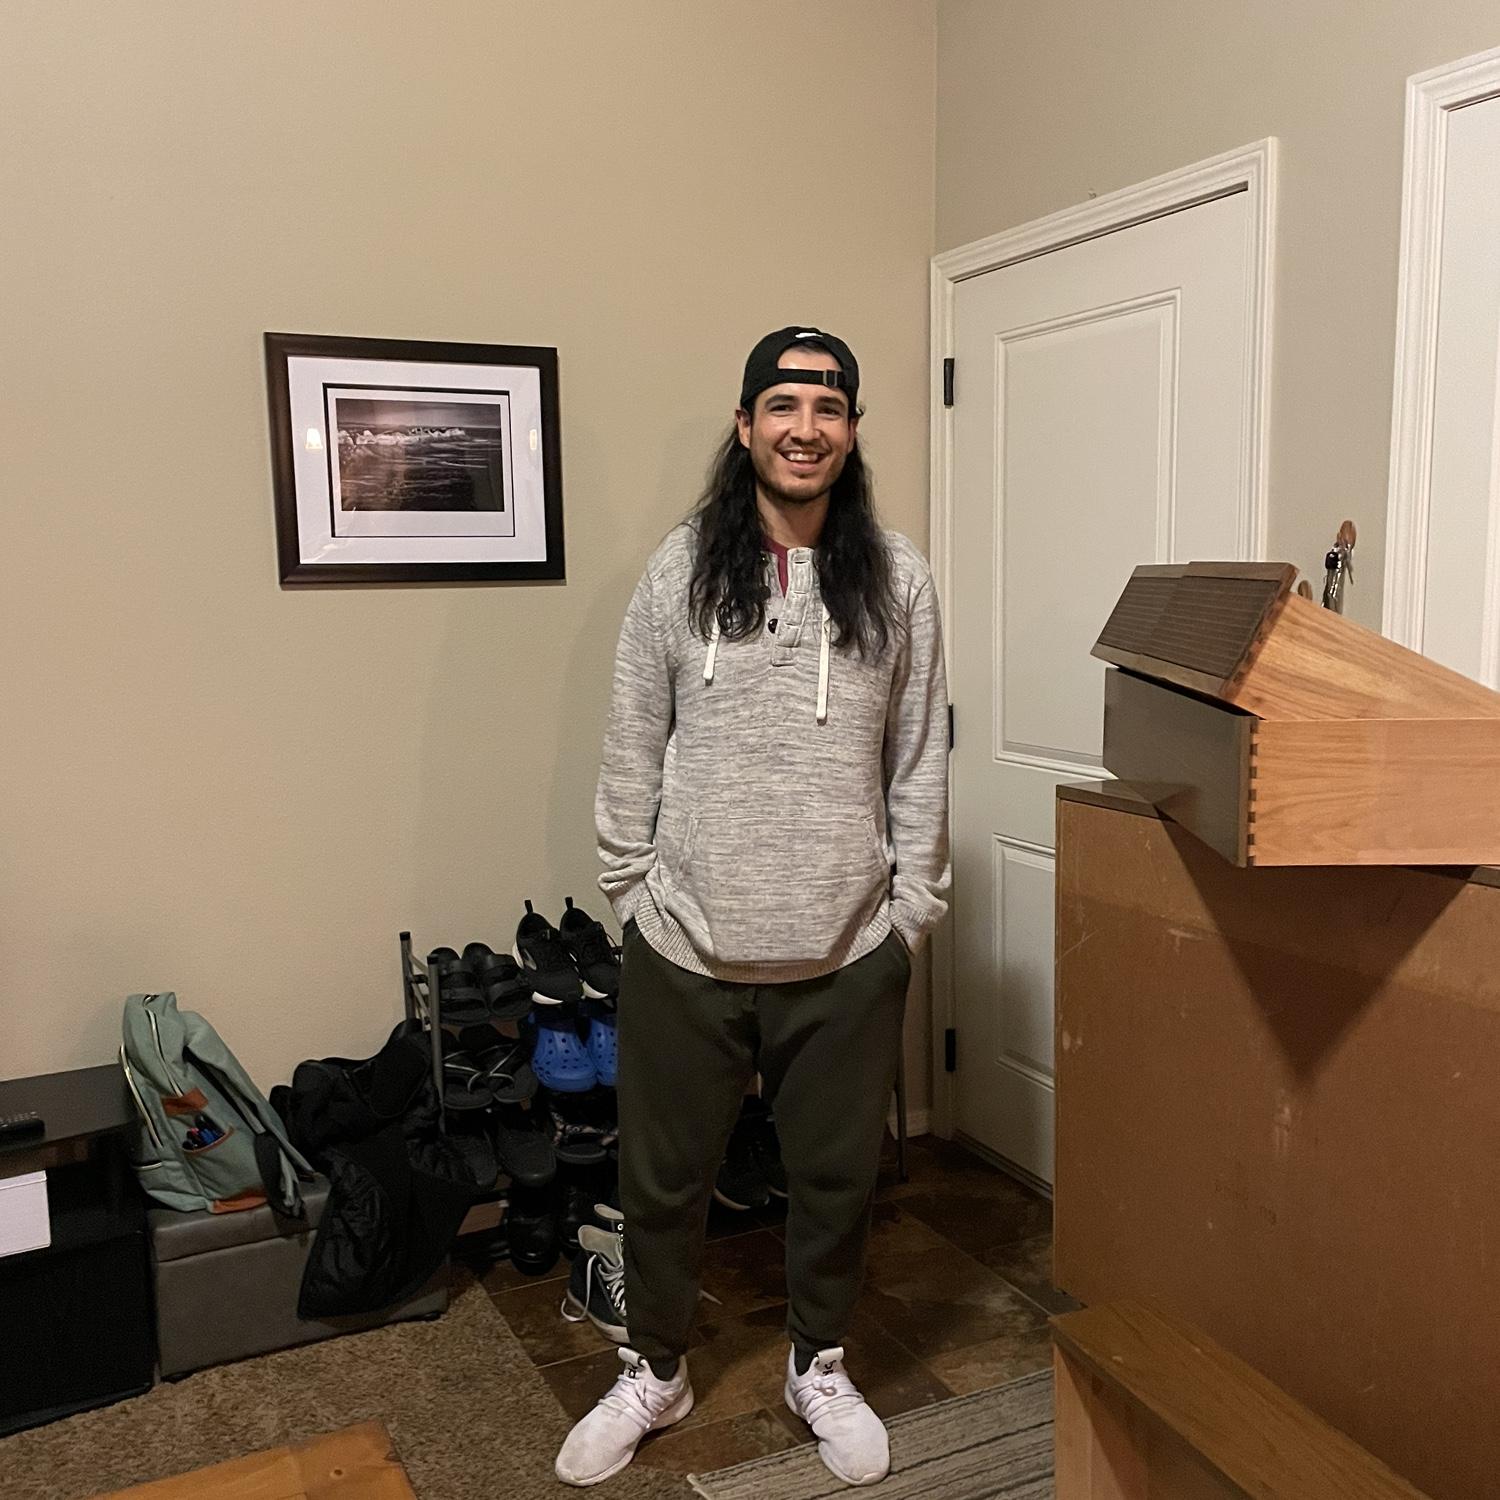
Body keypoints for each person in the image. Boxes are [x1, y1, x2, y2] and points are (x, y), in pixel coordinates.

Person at [556, 327, 950, 1488]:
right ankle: (655, 1370)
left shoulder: (899, 579)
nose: (804, 428)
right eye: (782, 405)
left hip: (846, 952)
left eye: (828, 407)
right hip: (686, 947)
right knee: (661, 1185)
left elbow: (919, 760)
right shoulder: (679, 572)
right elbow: (632, 745)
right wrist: (632, 896)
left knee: (835, 1183)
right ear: (746, 426)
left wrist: (908, 917)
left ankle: (817, 1363)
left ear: (852, 431)